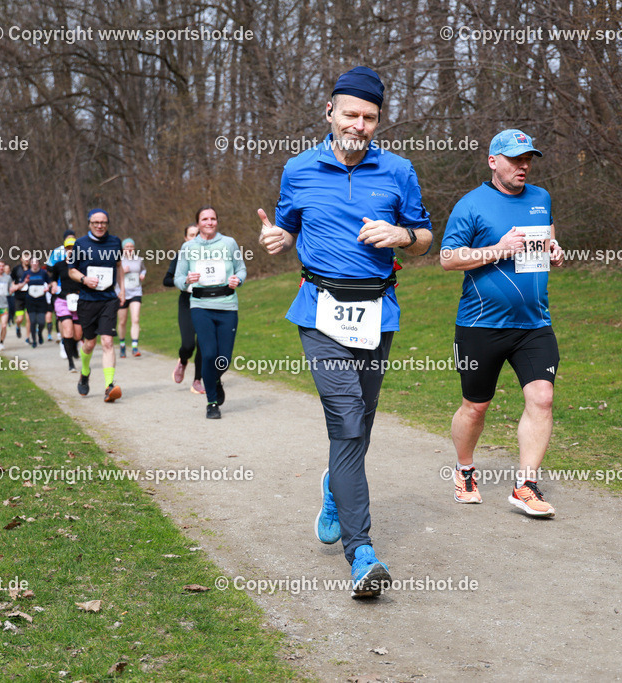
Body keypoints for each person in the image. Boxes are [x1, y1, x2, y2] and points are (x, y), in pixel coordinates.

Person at [258, 66, 433, 598]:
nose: (359, 125)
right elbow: (287, 227)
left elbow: (426, 237)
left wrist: (402, 235)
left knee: (361, 424)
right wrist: (277, 239)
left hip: (377, 311)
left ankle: (336, 487)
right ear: (329, 112)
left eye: (369, 117)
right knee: (349, 419)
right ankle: (362, 554)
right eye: (350, 114)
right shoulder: (298, 169)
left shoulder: (399, 170)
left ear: (379, 121)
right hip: (320, 311)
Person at [440, 128, 564, 518]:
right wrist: (498, 249)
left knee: (542, 398)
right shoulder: (471, 205)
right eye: (514, 159)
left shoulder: (541, 198)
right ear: (493, 162)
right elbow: (447, 258)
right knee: (475, 407)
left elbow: (548, 240)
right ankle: (464, 470)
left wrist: (555, 251)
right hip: (481, 325)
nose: (523, 166)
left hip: (534, 323)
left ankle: (526, 486)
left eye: (527, 159)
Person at [175, 207, 247, 419]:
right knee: (208, 354)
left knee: (223, 359)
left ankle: (215, 379)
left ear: (217, 221)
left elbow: (241, 269)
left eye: (213, 218)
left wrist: (238, 280)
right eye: (204, 219)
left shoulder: (229, 243)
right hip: (201, 305)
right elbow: (177, 278)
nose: (209, 222)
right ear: (198, 223)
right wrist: (187, 280)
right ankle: (212, 403)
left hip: (227, 306)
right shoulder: (188, 247)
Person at [69, 209, 124, 402]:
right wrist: (84, 279)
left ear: (107, 224)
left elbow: (119, 266)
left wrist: (122, 290)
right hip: (87, 300)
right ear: (89, 224)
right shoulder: (80, 244)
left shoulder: (115, 242)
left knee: (107, 341)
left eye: (103, 222)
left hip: (108, 299)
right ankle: (85, 372)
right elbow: (71, 271)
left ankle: (109, 386)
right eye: (96, 223)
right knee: (90, 343)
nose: (100, 226)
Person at [164, 224, 204, 394]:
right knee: (188, 344)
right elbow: (166, 280)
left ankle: (197, 380)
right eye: (191, 235)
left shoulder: (211, 254)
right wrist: (183, 280)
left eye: (198, 234)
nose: (195, 238)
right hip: (187, 302)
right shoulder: (181, 256)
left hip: (206, 301)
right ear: (186, 238)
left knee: (203, 343)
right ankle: (183, 360)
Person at [51, 236, 84, 371]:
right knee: (68, 331)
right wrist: (54, 285)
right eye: (68, 248)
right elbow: (53, 279)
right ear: (65, 250)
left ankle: (74, 346)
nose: (70, 251)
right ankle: (71, 363)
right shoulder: (59, 265)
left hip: (78, 301)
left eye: (73, 248)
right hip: (63, 301)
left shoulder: (82, 265)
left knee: (78, 335)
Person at [117, 237, 145, 358]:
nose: (129, 249)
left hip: (136, 292)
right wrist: (122, 271)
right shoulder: (119, 260)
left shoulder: (139, 259)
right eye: (127, 247)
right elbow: (114, 275)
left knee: (136, 319)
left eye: (131, 247)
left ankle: (134, 346)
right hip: (122, 293)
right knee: (122, 321)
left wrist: (142, 275)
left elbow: (143, 269)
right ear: (123, 249)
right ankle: (122, 345)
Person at [22, 258, 52, 347]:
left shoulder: (43, 273)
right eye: (33, 262)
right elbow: (21, 285)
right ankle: (34, 340)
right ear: (30, 264)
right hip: (30, 300)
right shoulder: (26, 273)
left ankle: (40, 333)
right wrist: (24, 282)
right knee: (32, 321)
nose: (34, 264)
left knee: (42, 322)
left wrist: (48, 287)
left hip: (41, 301)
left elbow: (49, 283)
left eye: (36, 262)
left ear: (38, 263)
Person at [12, 255, 31, 342]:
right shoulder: (16, 269)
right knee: (20, 319)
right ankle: (18, 325)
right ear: (21, 259)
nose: (27, 259)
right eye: (25, 258)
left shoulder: (32, 268)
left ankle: (27, 337)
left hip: (30, 297)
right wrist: (14, 286)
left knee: (29, 319)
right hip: (19, 297)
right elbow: (11, 280)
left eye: (28, 258)